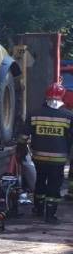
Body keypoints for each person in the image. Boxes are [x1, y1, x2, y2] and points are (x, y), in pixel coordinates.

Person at [22, 82, 73, 223]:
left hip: (39, 158)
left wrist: (20, 151)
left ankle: (38, 209)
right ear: (62, 96)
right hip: (58, 160)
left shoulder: (34, 114)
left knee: (40, 182)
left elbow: (23, 136)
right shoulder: (68, 116)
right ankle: (50, 215)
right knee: (54, 186)